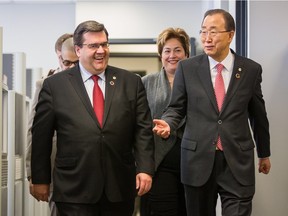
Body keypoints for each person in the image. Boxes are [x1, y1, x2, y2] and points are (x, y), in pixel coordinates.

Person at [153, 9, 271, 216]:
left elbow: (258, 114)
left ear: (230, 35)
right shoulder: (187, 68)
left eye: (213, 32)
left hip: (236, 160)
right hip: (197, 160)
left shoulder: (250, 70)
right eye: (203, 31)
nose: (207, 38)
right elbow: (176, 108)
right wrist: (169, 123)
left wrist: (264, 153)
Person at [30, 20, 154, 216]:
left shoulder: (131, 83)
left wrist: (145, 169)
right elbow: (41, 136)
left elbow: (143, 131)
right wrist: (39, 178)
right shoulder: (55, 86)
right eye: (94, 45)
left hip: (119, 187)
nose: (101, 50)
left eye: (104, 44)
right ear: (78, 50)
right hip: (73, 187)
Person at [26, 35, 78, 216]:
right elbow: (34, 130)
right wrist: (33, 172)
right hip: (55, 164)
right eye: (67, 62)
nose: (72, 67)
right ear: (59, 56)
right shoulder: (45, 83)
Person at [140, 27, 190, 216]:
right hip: (158, 163)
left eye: (177, 50)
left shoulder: (199, 83)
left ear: (186, 53)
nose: (172, 55)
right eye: (167, 51)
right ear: (160, 54)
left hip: (192, 163)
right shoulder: (146, 83)